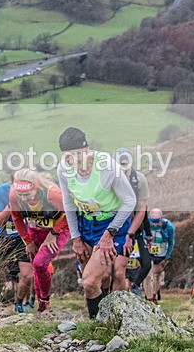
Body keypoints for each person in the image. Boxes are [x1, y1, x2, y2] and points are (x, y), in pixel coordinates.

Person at [56, 127, 136, 319]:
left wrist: (110, 233)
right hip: (84, 224)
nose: (73, 160)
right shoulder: (63, 169)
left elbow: (130, 200)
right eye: (68, 156)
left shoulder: (108, 167)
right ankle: (105, 318)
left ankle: (98, 325)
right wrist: (75, 238)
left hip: (110, 224)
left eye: (77, 154)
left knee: (90, 281)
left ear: (87, 150)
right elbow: (68, 202)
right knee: (101, 277)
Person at [9, 169, 70, 313]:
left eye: (27, 195)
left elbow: (72, 213)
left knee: (40, 263)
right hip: (35, 230)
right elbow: (17, 218)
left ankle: (45, 301)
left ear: (36, 187)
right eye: (20, 195)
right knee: (36, 266)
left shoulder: (53, 195)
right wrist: (28, 241)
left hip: (58, 229)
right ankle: (41, 305)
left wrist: (54, 232)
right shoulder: (14, 196)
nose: (23, 199)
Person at [0, 176, 33, 313]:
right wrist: (12, 204)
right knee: (8, 280)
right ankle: (3, 306)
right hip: (3, 238)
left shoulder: (32, 192)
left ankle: (19, 304)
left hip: (24, 237)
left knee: (27, 275)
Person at [115, 148, 152, 296]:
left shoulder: (139, 179)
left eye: (126, 163)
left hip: (135, 230)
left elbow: (143, 209)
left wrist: (147, 234)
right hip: (115, 230)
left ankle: (135, 286)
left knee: (146, 263)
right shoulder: (109, 178)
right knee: (117, 271)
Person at [142, 208, 174, 303]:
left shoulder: (168, 226)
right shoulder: (145, 224)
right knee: (148, 276)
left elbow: (171, 242)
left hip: (161, 254)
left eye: (157, 221)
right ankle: (149, 298)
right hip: (148, 253)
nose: (155, 224)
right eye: (153, 222)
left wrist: (167, 257)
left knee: (156, 276)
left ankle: (154, 296)